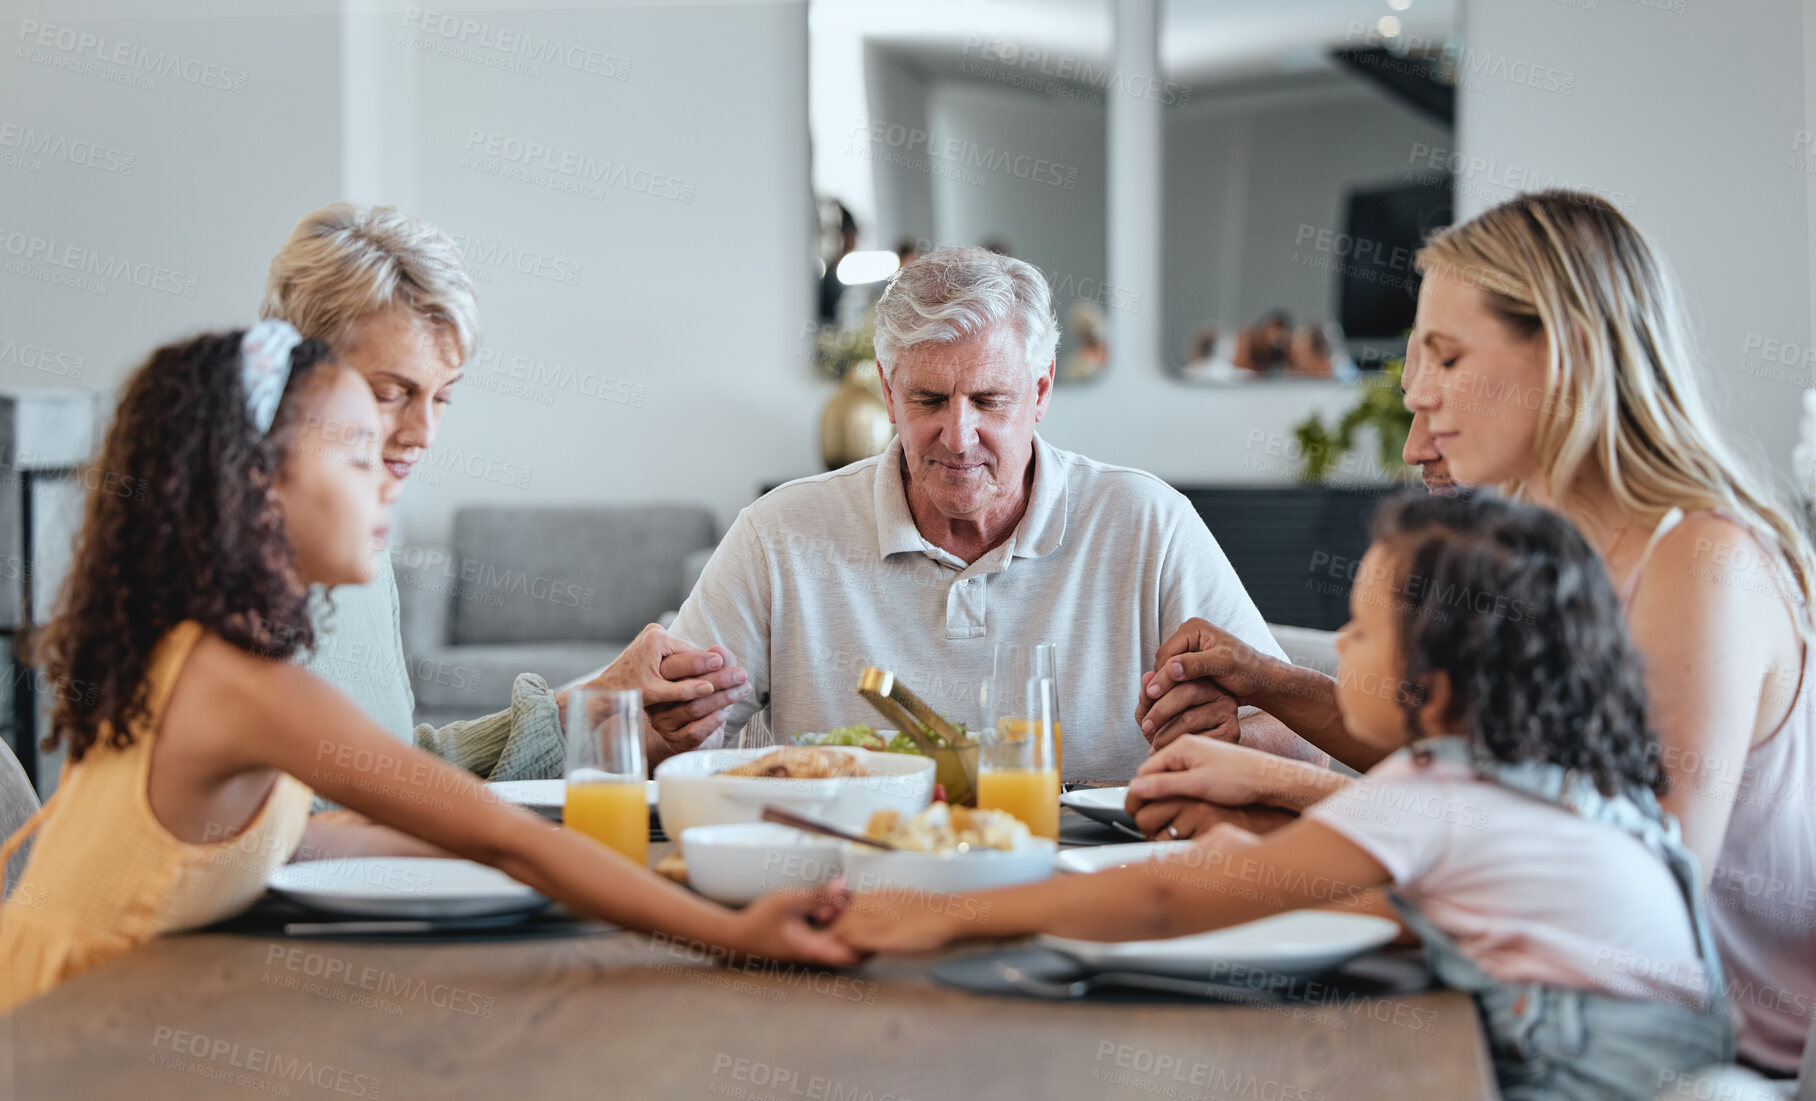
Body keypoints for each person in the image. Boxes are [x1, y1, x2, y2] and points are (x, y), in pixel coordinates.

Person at [1131, 190, 1814, 1074]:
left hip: (1693, 1065)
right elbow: (1486, 775)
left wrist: (1284, 794)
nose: (1416, 394)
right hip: (1539, 1010)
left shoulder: (1701, 560)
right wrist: (1270, 685)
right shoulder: (1546, 544)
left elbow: (1615, 876)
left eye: (1447, 357)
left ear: (1563, 352)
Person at [0, 326, 853, 1011]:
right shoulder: (245, 687)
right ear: (257, 488)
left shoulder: (198, 653)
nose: (392, 483)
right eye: (360, 457)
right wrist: (733, 932)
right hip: (59, 1030)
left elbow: (305, 834)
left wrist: (604, 860)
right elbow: (498, 835)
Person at [834, 492, 1734, 1100]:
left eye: (1364, 627)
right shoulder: (1561, 776)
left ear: (1446, 682)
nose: (1338, 643)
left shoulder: (1438, 791)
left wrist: (945, 915)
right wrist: (1258, 865)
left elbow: (1159, 897)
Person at [670, 246, 1316, 781]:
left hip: (1096, 881)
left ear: (1040, 390)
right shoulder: (778, 532)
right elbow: (669, 741)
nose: (958, 435)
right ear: (889, 393)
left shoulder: (1148, 521)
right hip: (845, 877)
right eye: (928, 399)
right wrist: (658, 732)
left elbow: (1301, 737)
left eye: (989, 399)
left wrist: (1233, 738)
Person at [262, 203, 748, 780]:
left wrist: (592, 710)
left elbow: (392, 767)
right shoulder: (220, 561)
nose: (423, 435)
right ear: (291, 374)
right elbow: (315, 818)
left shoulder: (362, 543)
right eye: (391, 393)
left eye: (442, 397)